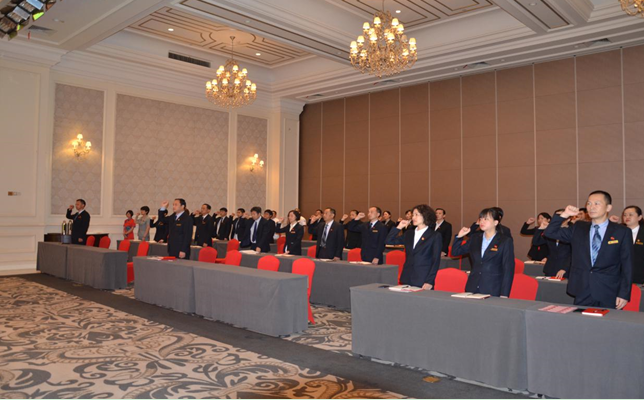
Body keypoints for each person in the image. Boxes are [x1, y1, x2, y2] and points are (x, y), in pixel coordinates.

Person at [544, 191, 632, 309]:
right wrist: (565, 214)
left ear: (608, 207)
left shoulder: (621, 231)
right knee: (582, 320)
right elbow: (550, 232)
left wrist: (624, 293)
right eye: (589, 203)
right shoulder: (578, 227)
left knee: (608, 320)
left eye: (597, 203)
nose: (591, 207)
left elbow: (627, 265)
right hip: (582, 288)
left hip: (609, 290)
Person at [452, 208, 515, 297]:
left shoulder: (504, 241)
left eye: (486, 219)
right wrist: (459, 237)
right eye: (481, 219)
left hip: (493, 288)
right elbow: (455, 252)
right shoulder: (475, 238)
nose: (482, 221)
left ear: (495, 222)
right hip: (472, 287)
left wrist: (504, 294)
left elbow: (508, 269)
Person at [386, 204, 442, 289]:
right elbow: (389, 241)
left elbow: (435, 261)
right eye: (413, 215)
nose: (413, 218)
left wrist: (430, 281)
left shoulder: (434, 235)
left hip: (423, 279)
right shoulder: (409, 234)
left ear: (425, 216)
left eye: (416, 215)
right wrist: (399, 227)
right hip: (407, 277)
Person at [542, 209, 572, 278]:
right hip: (550, 267)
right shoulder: (550, 232)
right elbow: (537, 242)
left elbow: (573, 254)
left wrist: (565, 268)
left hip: (565, 269)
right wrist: (541, 228)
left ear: (568, 219)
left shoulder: (572, 231)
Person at [622, 205, 644, 284]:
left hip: (640, 278)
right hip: (622, 277)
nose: (627, 217)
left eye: (630, 215)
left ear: (639, 217)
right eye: (625, 215)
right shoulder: (618, 232)